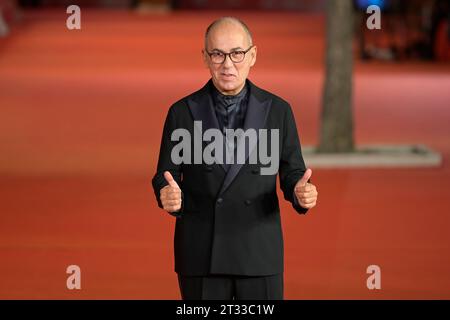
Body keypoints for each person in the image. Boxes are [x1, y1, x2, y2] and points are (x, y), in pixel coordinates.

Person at [152, 17, 318, 300]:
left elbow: (293, 172)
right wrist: (165, 193)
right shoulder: (181, 112)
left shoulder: (278, 111)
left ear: (253, 55)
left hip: (259, 251)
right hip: (201, 253)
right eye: (217, 54)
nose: (228, 64)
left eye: (237, 53)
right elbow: (165, 175)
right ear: (205, 57)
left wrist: (299, 192)